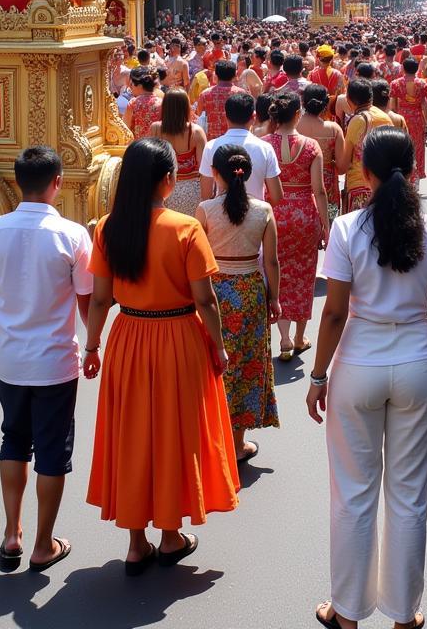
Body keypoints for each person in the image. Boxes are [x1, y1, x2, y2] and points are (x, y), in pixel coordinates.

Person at [306, 126, 427, 629]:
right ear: (414, 167)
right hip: (418, 362)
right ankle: (403, 613)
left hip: (359, 362)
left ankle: (349, 612)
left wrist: (317, 375)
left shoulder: (348, 227)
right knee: (408, 495)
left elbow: (332, 314)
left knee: (353, 495)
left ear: (365, 173)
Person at [83, 137, 240, 574]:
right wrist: (219, 345)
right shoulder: (185, 228)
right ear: (168, 180)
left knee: (132, 435)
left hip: (128, 337)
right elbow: (206, 301)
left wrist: (92, 347)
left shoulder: (108, 228)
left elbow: (99, 300)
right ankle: (170, 535)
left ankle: (136, 543)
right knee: (175, 433)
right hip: (178, 337)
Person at [0, 147, 93, 574]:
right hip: (56, 362)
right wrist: (93, 344)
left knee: (13, 439)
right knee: (53, 452)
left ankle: (11, 534)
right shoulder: (72, 235)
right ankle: (42, 544)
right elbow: (87, 297)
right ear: (57, 182)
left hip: (11, 360)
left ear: (18, 181)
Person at [197, 145, 280, 463]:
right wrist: (275, 298)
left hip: (214, 293)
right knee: (246, 365)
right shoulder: (263, 211)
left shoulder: (205, 210)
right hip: (250, 293)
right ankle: (236, 442)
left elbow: (196, 261)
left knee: (212, 364)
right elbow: (270, 261)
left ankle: (209, 437)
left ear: (215, 173)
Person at [265, 91, 329, 362]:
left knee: (276, 270)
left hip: (274, 213)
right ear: (296, 114)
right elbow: (320, 190)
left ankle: (285, 338)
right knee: (304, 275)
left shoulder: (264, 143)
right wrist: (325, 225)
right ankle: (301, 335)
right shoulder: (311, 146)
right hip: (304, 214)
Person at [199, 92, 283, 204]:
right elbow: (277, 196)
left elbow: (206, 194)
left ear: (226, 116)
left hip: (220, 216)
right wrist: (260, 210)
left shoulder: (210, 147)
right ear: (253, 117)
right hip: (256, 217)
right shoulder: (265, 148)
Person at [150, 87, 207, 216]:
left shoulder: (155, 129)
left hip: (163, 190)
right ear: (186, 107)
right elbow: (203, 168)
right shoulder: (196, 132)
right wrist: (206, 197)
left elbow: (151, 163)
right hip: (192, 191)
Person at [339, 78, 393, 213]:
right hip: (383, 185)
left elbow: (344, 165)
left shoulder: (357, 121)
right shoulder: (385, 117)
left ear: (349, 99)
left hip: (360, 187)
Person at [298, 84, 344, 226]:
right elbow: (342, 167)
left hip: (300, 186)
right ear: (325, 104)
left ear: (303, 102)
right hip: (327, 186)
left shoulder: (293, 127)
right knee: (327, 227)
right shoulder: (333, 129)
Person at [389, 58, 427, 180]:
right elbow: (425, 104)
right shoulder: (422, 84)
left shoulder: (395, 83)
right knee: (417, 147)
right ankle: (416, 175)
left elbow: (392, 105)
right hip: (417, 118)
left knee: (401, 146)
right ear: (417, 68)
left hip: (401, 117)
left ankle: (402, 174)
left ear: (403, 68)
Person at [197, 59, 241, 142]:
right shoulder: (241, 94)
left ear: (216, 74)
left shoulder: (205, 95)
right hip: (236, 141)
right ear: (235, 75)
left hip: (212, 141)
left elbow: (200, 115)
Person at [125, 66, 162, 141]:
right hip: (157, 146)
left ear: (139, 85)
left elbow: (125, 128)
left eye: (132, 83)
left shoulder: (133, 103)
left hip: (139, 147)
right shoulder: (162, 103)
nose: (131, 87)